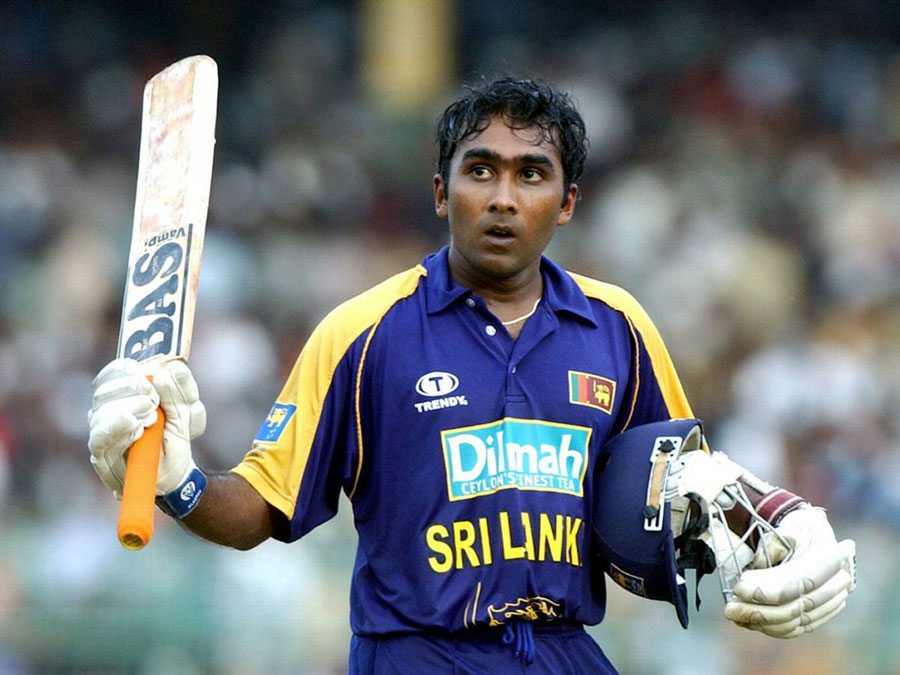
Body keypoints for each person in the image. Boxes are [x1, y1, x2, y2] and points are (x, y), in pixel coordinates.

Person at [88, 78, 855, 674]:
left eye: (532, 174)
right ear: (439, 190)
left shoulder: (619, 328)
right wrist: (178, 477)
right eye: (479, 170)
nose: (502, 197)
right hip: (417, 652)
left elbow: (691, 483)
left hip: (562, 647)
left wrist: (790, 520)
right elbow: (262, 508)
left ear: (568, 203)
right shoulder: (363, 333)